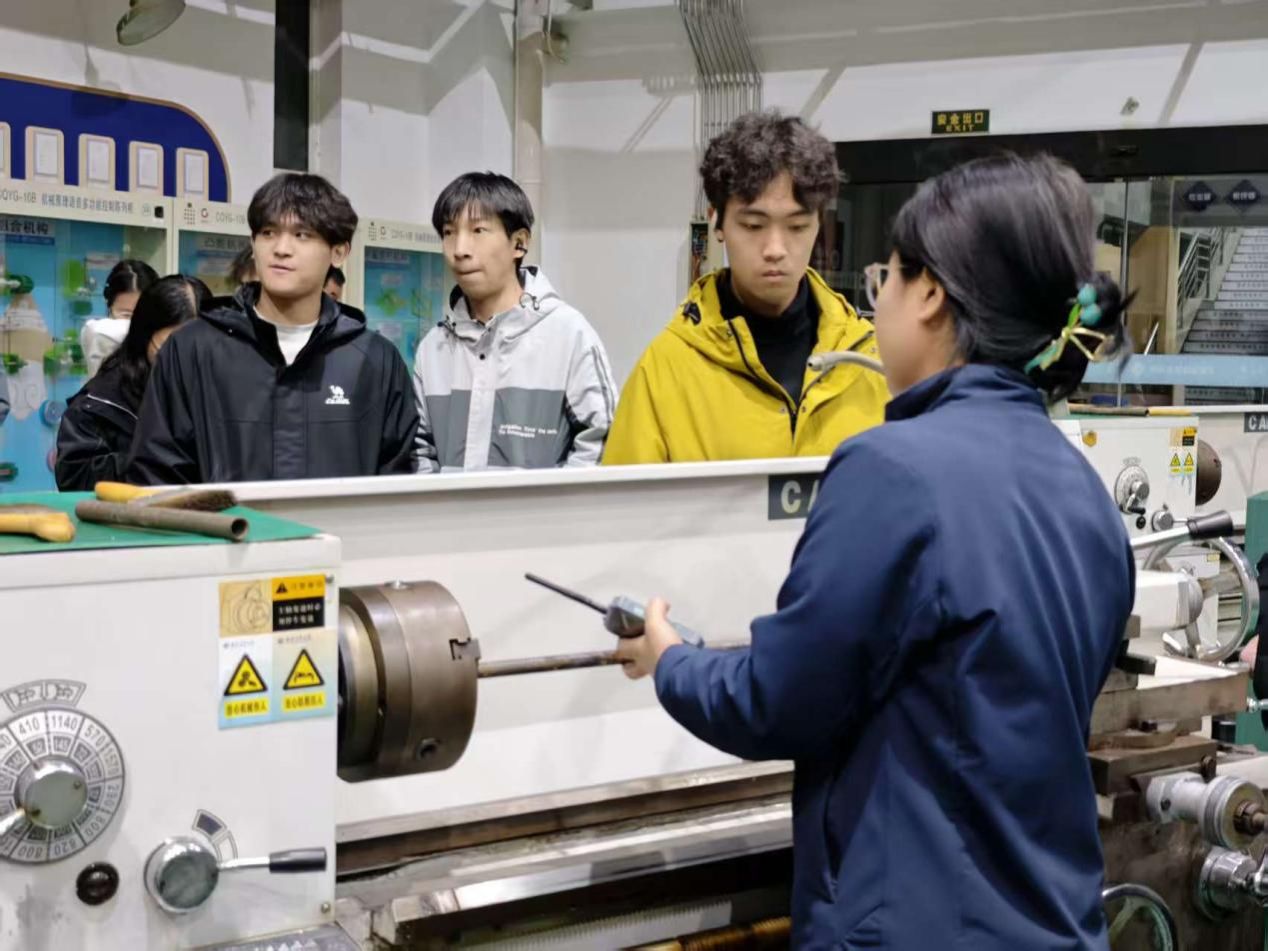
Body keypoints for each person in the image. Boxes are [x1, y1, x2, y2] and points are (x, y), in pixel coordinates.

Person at [616, 154, 1137, 949]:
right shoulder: (1080, 484)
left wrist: (671, 660)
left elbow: (779, 700)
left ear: (929, 294)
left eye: (885, 276)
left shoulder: (890, 469)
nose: (878, 299)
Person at [603, 111, 888, 464]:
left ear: (818, 224)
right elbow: (624, 497)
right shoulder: (665, 371)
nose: (775, 249)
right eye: (753, 225)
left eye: (797, 227)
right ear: (717, 222)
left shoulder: (869, 360)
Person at [127, 173, 418, 483]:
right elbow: (156, 473)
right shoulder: (193, 350)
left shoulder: (375, 360)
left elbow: (397, 480)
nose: (281, 248)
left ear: (339, 252)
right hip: (229, 518)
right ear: (253, 244)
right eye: (268, 233)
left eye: (302, 235)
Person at [413, 172, 616, 471]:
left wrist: (554, 500)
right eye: (448, 232)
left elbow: (603, 441)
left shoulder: (568, 335)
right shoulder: (433, 349)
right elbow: (418, 452)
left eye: (478, 230)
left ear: (519, 243)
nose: (459, 249)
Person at [56, 276, 209, 490]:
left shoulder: (222, 386)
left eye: (197, 349)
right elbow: (75, 478)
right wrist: (154, 460)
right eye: (171, 347)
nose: (183, 361)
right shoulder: (99, 403)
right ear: (145, 335)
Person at [81, 259, 159, 377]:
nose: (134, 322)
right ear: (109, 305)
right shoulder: (98, 333)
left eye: (143, 314)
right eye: (126, 315)